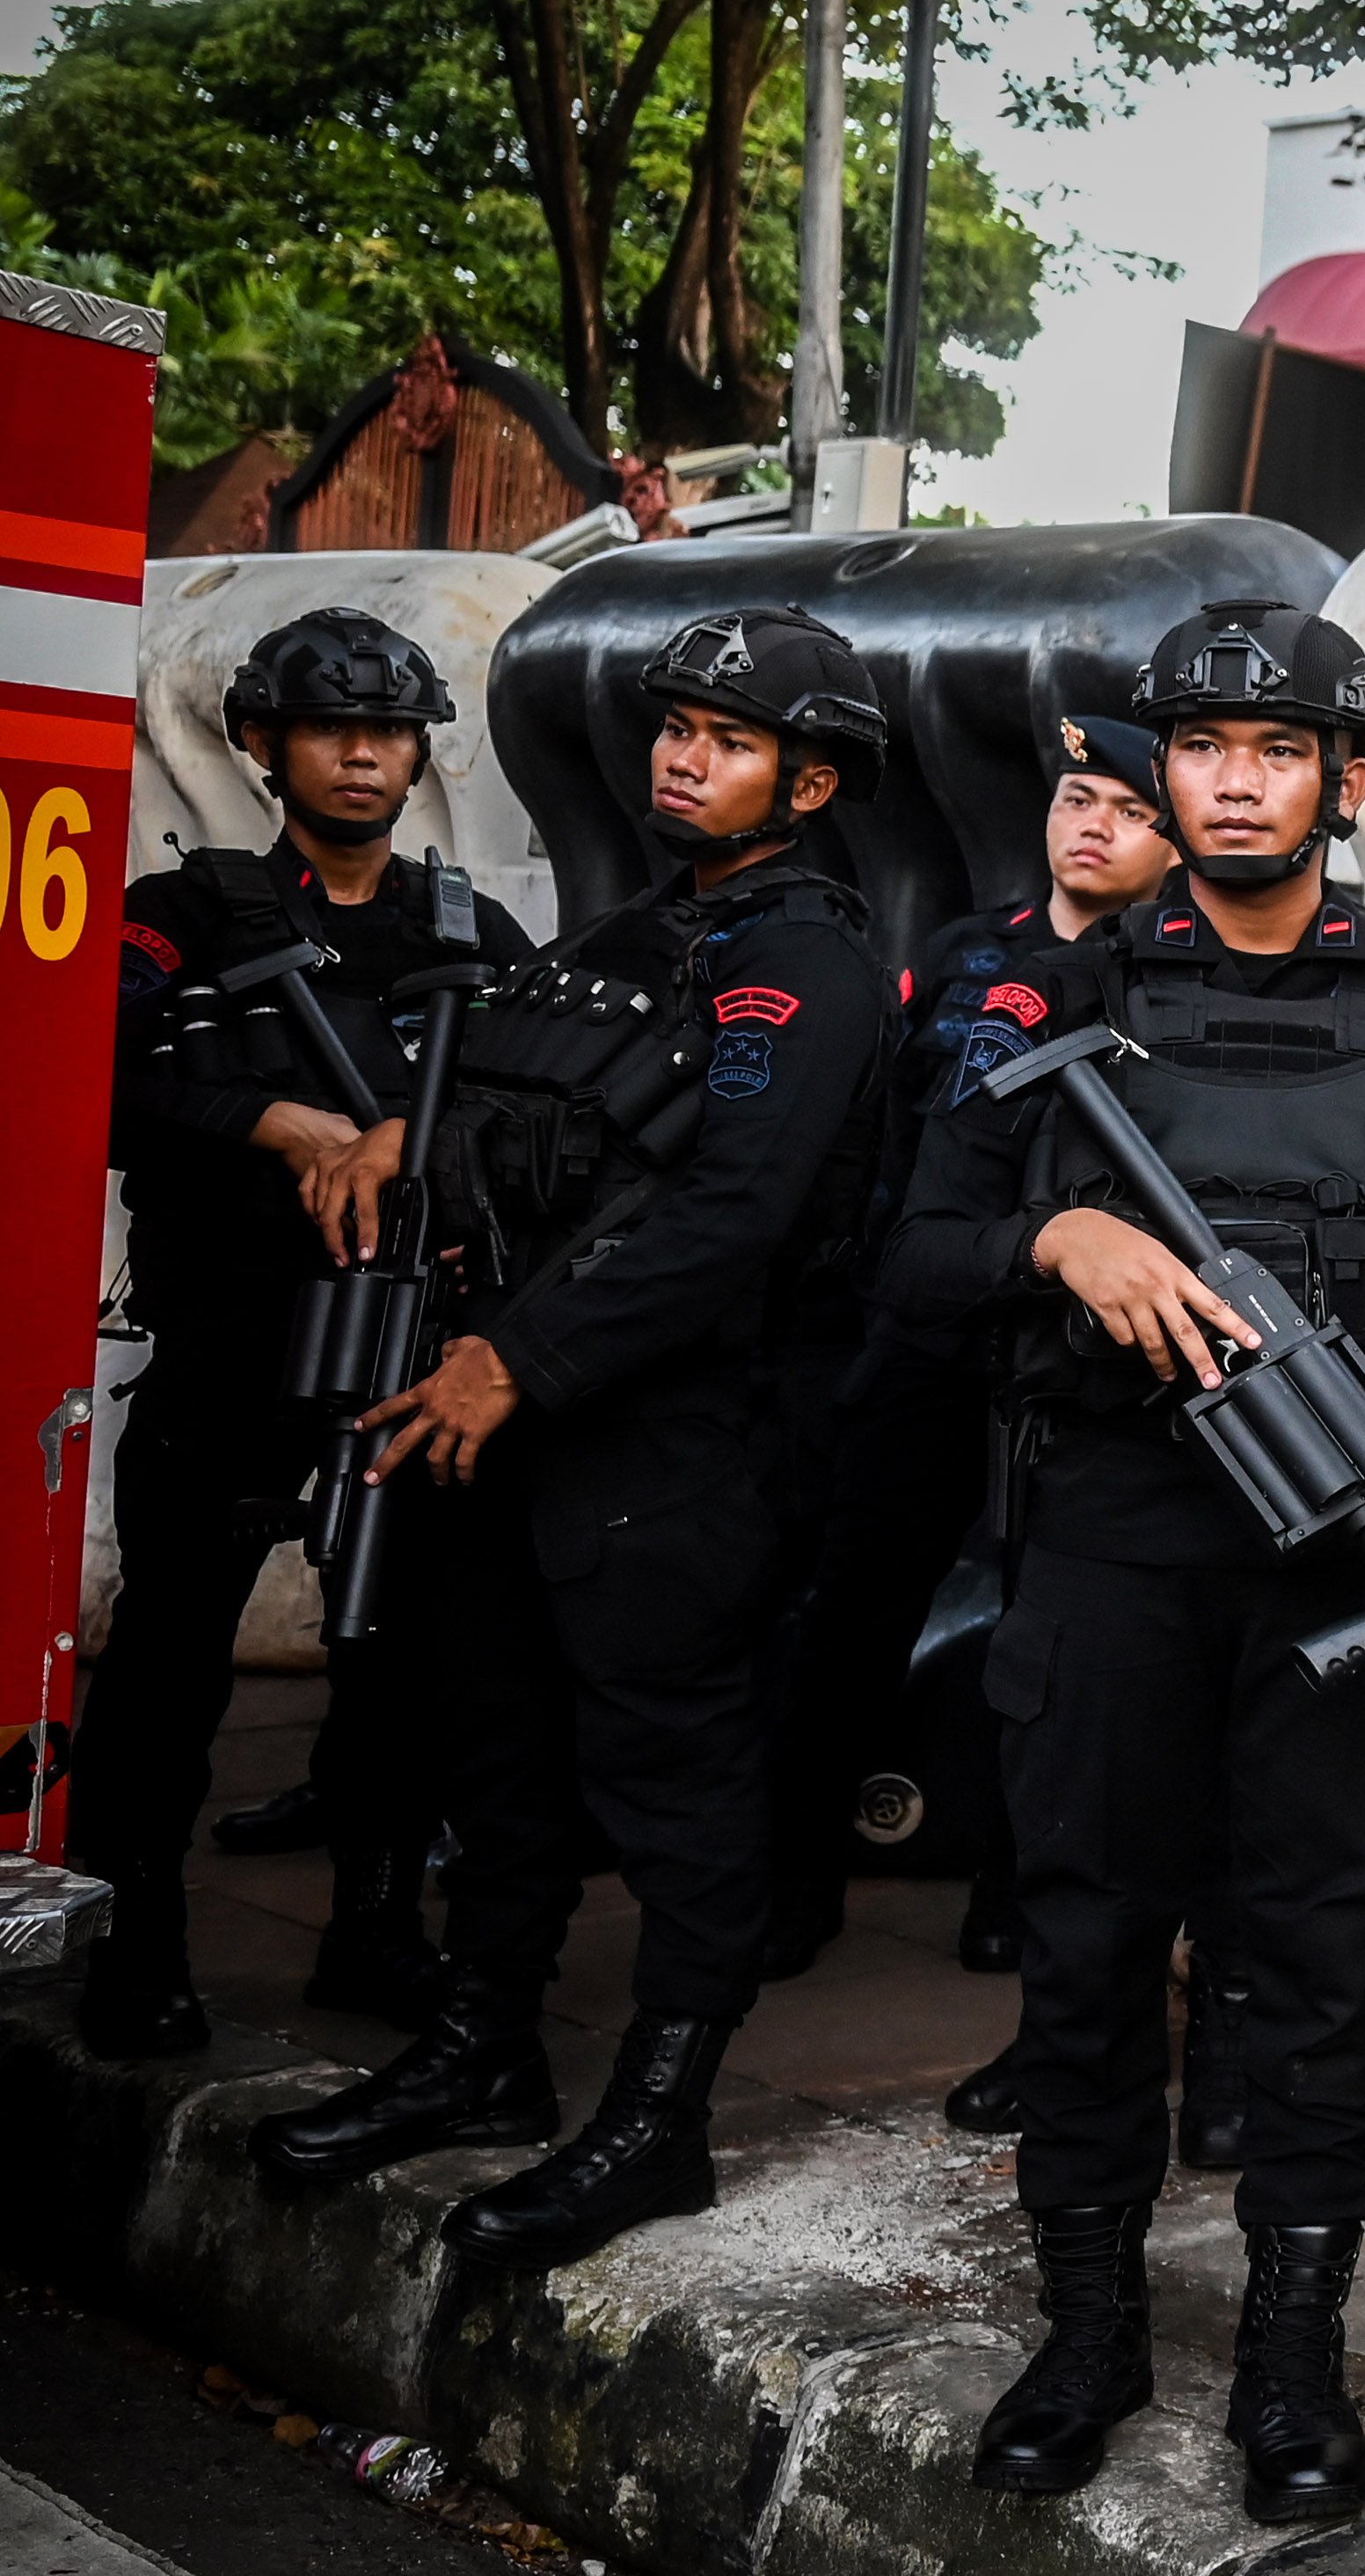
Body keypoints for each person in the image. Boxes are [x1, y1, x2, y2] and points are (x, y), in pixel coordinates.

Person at [872, 604, 1365, 2526]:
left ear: (1346, 780)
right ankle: (1089, 2324)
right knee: (1091, 1936)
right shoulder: (1050, 1003)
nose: (1239, 779)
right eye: (1204, 747)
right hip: (1116, 1536)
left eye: (1281, 749)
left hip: (1340, 1555)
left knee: (1318, 1948)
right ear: (1164, 774)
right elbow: (913, 1256)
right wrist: (1060, 1251)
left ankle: (1292, 2341)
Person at [249, 605, 895, 2275]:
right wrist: (412, 1132)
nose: (684, 753)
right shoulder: (630, 931)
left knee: (676, 1786)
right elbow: (517, 1108)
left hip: (676, 1441)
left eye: (729, 737)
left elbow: (729, 1216)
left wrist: (514, 1361)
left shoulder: (805, 960)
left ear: (809, 779)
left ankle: (661, 2115)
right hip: (522, 1420)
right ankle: (485, 2044)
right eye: (675, 725)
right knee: (505, 1756)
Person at [73, 611, 536, 2054]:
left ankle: (376, 1928)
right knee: (164, 1667)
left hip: (402, 1346)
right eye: (329, 725)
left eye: (387, 727)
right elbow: (81, 1070)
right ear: (263, 744)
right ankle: (133, 1939)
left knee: (397, 1661)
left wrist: (413, 1136)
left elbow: (555, 1112)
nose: (360, 752)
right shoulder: (183, 912)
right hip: (226, 1346)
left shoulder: (470, 929)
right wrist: (270, 1119)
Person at [771, 713, 1178, 2138]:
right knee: (849, 1605)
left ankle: (1014, 1897)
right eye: (1076, 798)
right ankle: (793, 1879)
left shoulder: (1162, 978)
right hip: (921, 1325)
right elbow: (883, 1141)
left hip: (1064, 1344)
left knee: (1043, 1637)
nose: (1093, 826)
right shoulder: (956, 955)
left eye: (1126, 810)